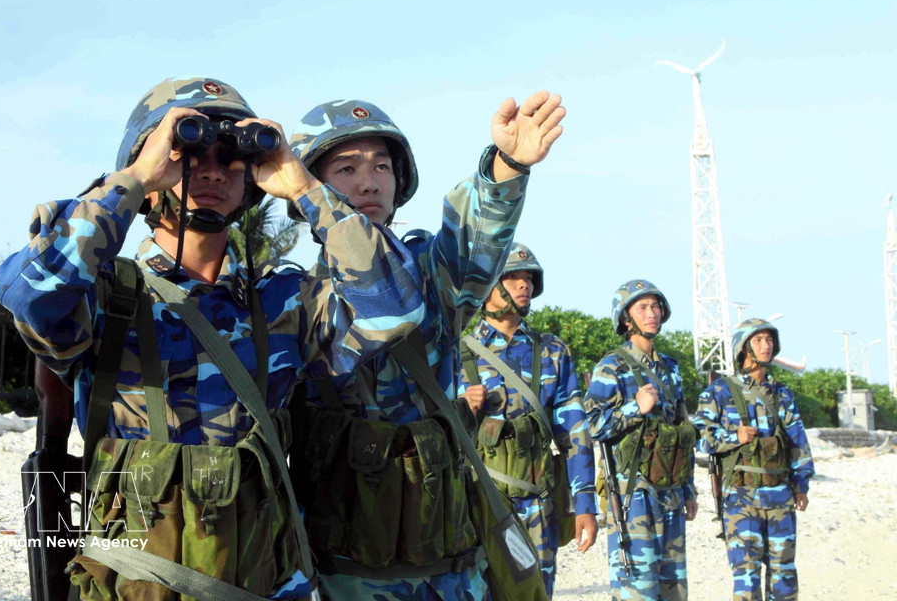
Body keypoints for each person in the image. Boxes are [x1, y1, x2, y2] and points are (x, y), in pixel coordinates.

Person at [0, 77, 425, 600]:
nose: (213, 171)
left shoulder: (282, 303)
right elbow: (28, 291)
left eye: (230, 158)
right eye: (190, 153)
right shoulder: (104, 298)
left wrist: (307, 190)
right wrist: (132, 180)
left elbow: (395, 308)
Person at [287, 94, 564, 601]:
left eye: (382, 166)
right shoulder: (289, 298)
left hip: (449, 567)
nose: (369, 181)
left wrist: (508, 166)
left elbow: (477, 239)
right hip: (340, 575)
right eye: (345, 168)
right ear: (305, 185)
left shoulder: (430, 272)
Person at [455, 242, 598, 598]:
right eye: (513, 278)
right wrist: (458, 406)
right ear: (487, 287)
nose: (525, 286)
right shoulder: (456, 352)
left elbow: (575, 432)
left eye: (529, 279)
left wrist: (584, 505)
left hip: (538, 507)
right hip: (477, 508)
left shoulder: (551, 351)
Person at [583, 280, 698, 601]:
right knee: (637, 591)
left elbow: (681, 432)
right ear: (626, 319)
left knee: (674, 590)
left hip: (672, 492)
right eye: (643, 308)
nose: (653, 313)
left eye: (656, 306)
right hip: (634, 496)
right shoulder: (611, 367)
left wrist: (688, 488)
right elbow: (593, 426)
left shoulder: (670, 369)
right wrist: (636, 407)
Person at [692, 318, 814, 601]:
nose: (766, 345)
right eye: (758, 340)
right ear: (744, 347)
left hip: (781, 497)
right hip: (741, 499)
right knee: (746, 580)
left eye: (769, 340)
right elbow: (699, 437)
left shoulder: (781, 394)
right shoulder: (721, 392)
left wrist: (801, 484)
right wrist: (735, 437)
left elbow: (797, 441)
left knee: (784, 576)